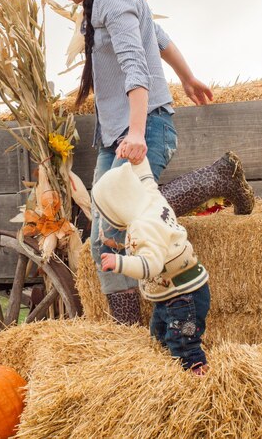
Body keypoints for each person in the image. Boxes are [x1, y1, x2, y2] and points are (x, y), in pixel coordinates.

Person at [33, 0, 252, 325]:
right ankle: (128, 333)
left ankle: (219, 179)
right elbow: (160, 38)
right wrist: (187, 77)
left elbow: (136, 67)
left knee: (117, 226)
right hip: (117, 132)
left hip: (142, 125)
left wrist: (136, 133)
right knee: (105, 235)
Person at [92, 158, 210, 374]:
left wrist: (119, 262)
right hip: (171, 295)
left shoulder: (142, 226)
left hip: (184, 297)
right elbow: (147, 180)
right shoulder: (152, 201)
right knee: (159, 335)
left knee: (183, 342)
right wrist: (139, 159)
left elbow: (151, 265)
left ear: (117, 206)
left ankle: (196, 374)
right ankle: (171, 368)